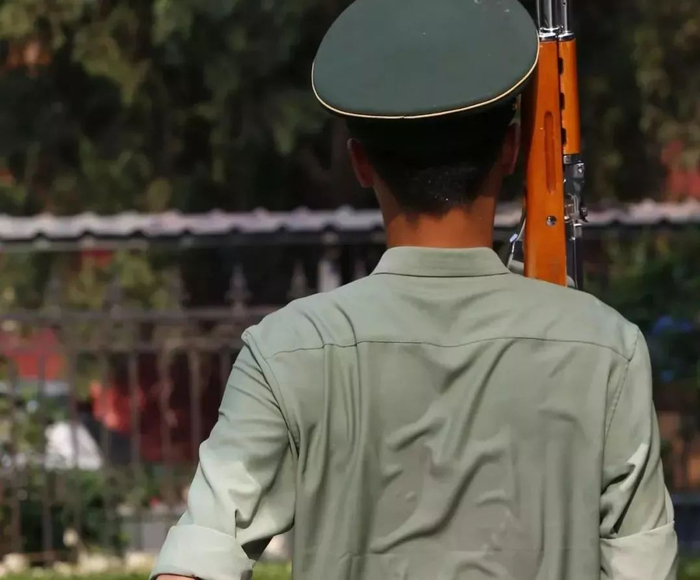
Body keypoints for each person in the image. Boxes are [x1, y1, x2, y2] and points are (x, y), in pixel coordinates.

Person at [151, 0, 678, 578]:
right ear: (510, 149)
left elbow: (193, 564)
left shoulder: (287, 351)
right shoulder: (607, 351)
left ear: (360, 162)